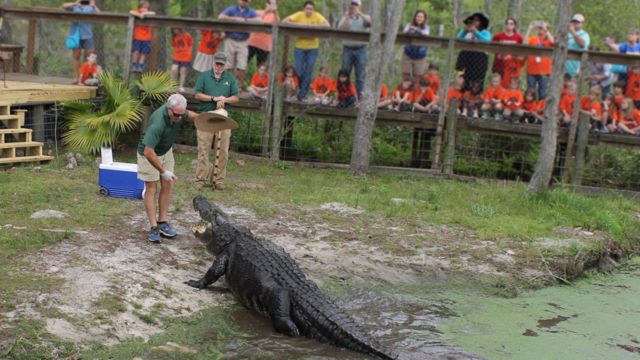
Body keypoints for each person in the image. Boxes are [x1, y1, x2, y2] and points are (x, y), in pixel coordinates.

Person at [137, 94, 198, 242]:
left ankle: (163, 222)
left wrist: (211, 120)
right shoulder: (158, 121)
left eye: (181, 115)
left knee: (168, 183)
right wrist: (163, 171)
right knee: (151, 188)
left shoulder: (180, 112)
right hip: (148, 154)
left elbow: (193, 116)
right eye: (176, 115)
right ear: (169, 108)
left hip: (165, 151)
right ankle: (153, 228)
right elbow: (148, 151)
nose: (178, 118)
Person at [193, 52, 240, 190]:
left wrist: (223, 99)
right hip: (206, 115)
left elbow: (236, 97)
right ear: (213, 63)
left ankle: (218, 179)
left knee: (223, 150)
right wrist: (214, 98)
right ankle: (200, 179)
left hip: (223, 117)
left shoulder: (230, 78)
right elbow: (197, 94)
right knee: (203, 148)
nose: (218, 67)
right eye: (217, 63)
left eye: (221, 64)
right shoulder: (204, 76)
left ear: (225, 65)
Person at [282, 1, 330, 101]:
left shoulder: (317, 16)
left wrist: (313, 27)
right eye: (307, 8)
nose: (309, 10)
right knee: (298, 71)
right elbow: (284, 21)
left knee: (308, 71)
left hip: (313, 48)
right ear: (304, 9)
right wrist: (299, 25)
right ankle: (299, 89)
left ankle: (302, 95)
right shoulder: (299, 15)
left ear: (314, 10)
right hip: (299, 47)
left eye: (311, 9)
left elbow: (327, 25)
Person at [219, 0, 260, 91]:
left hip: (243, 41)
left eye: (246, 0)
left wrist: (245, 20)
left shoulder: (250, 11)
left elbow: (259, 19)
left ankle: (239, 86)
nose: (244, 2)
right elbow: (221, 16)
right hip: (230, 39)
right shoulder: (232, 9)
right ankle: (228, 85)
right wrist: (234, 18)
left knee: (242, 65)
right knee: (228, 65)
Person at [338, 0, 371, 96]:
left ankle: (359, 98)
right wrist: (347, 17)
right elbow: (341, 29)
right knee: (345, 72)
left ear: (360, 6)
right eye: (352, 6)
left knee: (360, 75)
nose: (354, 7)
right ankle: (344, 96)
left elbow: (369, 22)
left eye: (356, 6)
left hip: (361, 50)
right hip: (348, 49)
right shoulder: (345, 17)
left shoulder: (365, 17)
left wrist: (359, 13)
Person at [63, 0, 100, 82]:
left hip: (87, 34)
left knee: (92, 55)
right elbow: (64, 6)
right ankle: (77, 77)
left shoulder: (90, 7)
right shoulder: (74, 6)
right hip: (76, 34)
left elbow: (100, 14)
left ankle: (93, 77)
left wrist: (93, 6)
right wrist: (75, 3)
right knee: (76, 55)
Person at [456, 12, 491, 92]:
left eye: (477, 20)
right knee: (464, 81)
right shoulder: (466, 32)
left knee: (477, 83)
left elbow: (486, 41)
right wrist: (464, 31)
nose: (474, 22)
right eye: (472, 20)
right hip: (466, 61)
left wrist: (476, 32)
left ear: (481, 22)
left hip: (479, 61)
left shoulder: (485, 32)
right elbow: (457, 39)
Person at [525, 21, 554, 100]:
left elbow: (554, 42)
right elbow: (525, 43)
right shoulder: (534, 39)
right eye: (540, 28)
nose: (541, 29)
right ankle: (531, 110)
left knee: (543, 93)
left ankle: (541, 110)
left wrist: (546, 30)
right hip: (531, 70)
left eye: (543, 28)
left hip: (544, 71)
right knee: (530, 93)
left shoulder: (549, 40)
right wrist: (529, 29)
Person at [401, 10, 430, 88]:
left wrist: (419, 31)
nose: (419, 18)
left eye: (421, 17)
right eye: (418, 16)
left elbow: (426, 34)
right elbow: (404, 33)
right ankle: (406, 91)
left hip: (420, 55)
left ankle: (414, 92)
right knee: (405, 74)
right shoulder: (409, 25)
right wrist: (409, 31)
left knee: (417, 76)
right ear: (415, 17)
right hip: (408, 53)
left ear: (424, 19)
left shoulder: (426, 27)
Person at [247, 0, 279, 67]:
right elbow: (256, 20)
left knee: (261, 67)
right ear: (266, 3)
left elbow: (278, 23)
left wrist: (275, 11)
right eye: (269, 2)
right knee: (243, 63)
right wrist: (266, 11)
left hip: (264, 46)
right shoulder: (257, 12)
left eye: (273, 3)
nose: (270, 5)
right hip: (252, 43)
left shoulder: (275, 16)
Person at [129, 0, 155, 73]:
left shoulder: (148, 14)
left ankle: (140, 65)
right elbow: (131, 12)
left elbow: (153, 13)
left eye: (146, 8)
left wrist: (145, 13)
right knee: (136, 51)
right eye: (143, 8)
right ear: (139, 7)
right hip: (137, 37)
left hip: (146, 38)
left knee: (143, 53)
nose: (144, 9)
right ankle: (134, 64)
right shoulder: (138, 12)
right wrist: (139, 14)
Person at [566, 14, 590, 78]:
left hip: (576, 70)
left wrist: (573, 31)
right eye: (573, 21)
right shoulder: (567, 34)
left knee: (573, 87)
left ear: (582, 24)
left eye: (577, 22)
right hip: (564, 69)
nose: (575, 23)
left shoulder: (585, 35)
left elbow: (582, 44)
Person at [170, 28, 193, 93]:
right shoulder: (174, 36)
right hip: (177, 56)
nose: (175, 30)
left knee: (182, 71)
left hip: (185, 56)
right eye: (173, 29)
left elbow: (191, 44)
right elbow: (174, 45)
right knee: (174, 69)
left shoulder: (187, 35)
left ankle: (181, 86)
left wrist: (189, 54)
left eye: (176, 28)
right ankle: (172, 85)